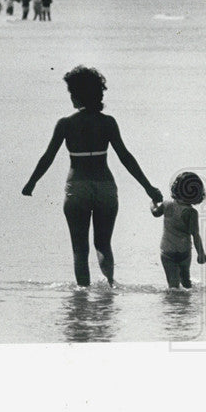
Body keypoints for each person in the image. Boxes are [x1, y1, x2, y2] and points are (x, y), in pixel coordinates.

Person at [21, 66, 163, 287]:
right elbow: (126, 157)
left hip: (77, 187)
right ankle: (109, 285)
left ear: (77, 95)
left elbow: (47, 157)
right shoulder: (107, 122)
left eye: (71, 94)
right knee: (103, 244)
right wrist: (148, 187)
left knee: (80, 249)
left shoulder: (66, 123)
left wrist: (31, 183)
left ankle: (83, 295)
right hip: (105, 186)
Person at [152, 172, 206, 288]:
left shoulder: (166, 204)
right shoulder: (191, 212)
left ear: (176, 188)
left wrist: (152, 203)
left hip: (167, 251)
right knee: (186, 280)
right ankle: (186, 305)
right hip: (184, 252)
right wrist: (201, 253)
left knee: (173, 285)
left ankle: (175, 305)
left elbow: (155, 213)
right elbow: (195, 234)